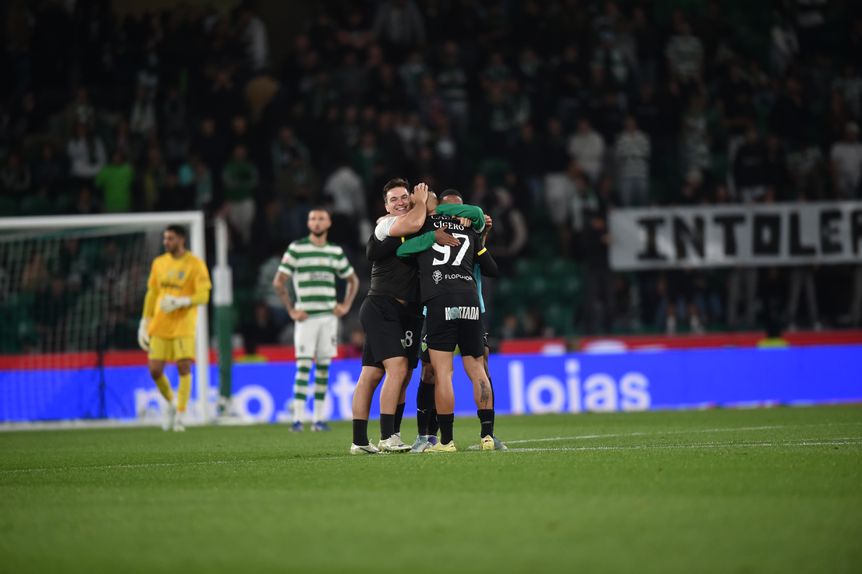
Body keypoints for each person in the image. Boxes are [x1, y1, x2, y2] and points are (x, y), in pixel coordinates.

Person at [349, 178, 450, 454]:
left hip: (407, 311)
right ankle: (387, 437)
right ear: (385, 205)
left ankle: (359, 441)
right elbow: (417, 222)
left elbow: (429, 216)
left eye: (404, 197)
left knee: (372, 374)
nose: (400, 202)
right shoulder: (386, 225)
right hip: (383, 306)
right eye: (394, 199)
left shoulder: (412, 226)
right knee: (398, 370)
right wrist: (419, 201)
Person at [405, 189, 507, 453]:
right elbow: (477, 215)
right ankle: (486, 437)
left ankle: (446, 441)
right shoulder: (471, 228)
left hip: (440, 301)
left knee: (443, 373)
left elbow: (403, 250)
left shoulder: (421, 226)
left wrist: (431, 219)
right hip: (469, 300)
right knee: (477, 370)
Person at [273, 208, 359, 432]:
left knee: (323, 367)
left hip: (328, 318)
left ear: (328, 222)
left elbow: (353, 280)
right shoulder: (297, 248)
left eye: (321, 218)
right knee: (303, 366)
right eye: (312, 218)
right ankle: (298, 419)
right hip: (306, 317)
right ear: (308, 223)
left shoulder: (334, 251)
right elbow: (279, 281)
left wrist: (346, 305)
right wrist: (291, 310)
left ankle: (318, 420)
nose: (317, 222)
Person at [137, 225, 212, 432]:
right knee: (154, 370)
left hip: (183, 324)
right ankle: (171, 402)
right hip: (160, 323)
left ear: (181, 240)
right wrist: (145, 320)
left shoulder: (195, 264)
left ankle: (181, 413)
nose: (166, 243)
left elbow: (204, 296)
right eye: (165, 239)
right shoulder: (159, 263)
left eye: (170, 239)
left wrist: (182, 302)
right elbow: (152, 293)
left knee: (184, 366)